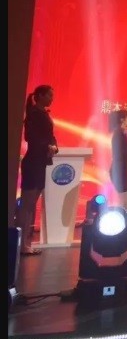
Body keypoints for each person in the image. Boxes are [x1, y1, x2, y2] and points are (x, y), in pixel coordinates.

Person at [16, 85, 58, 256]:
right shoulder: (33, 113)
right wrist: (47, 146)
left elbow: (50, 136)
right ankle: (21, 244)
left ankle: (26, 242)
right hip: (33, 161)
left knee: (31, 205)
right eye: (49, 95)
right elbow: (31, 137)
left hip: (41, 162)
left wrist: (54, 146)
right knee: (27, 205)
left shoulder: (44, 114)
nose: (51, 99)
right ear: (40, 96)